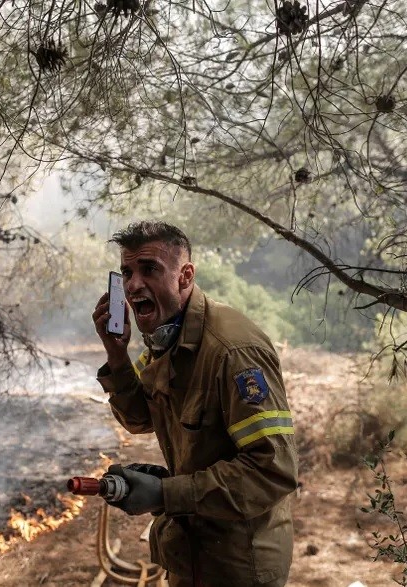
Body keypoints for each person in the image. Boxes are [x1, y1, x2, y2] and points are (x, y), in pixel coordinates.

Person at [91, 221, 299, 587]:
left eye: (149, 269)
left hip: (237, 567)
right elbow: (139, 419)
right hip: (191, 554)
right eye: (127, 272)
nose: (134, 284)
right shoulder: (168, 339)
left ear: (185, 275)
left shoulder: (233, 350)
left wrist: (166, 492)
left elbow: (273, 471)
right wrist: (117, 356)